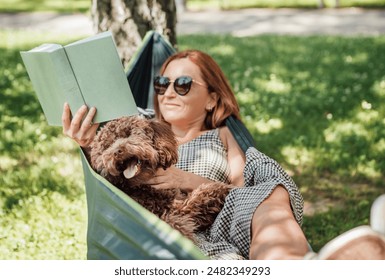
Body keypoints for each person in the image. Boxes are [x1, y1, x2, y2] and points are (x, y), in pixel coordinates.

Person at [61, 49, 313, 260]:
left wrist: (187, 180)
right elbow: (108, 175)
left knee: (271, 194)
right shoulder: (140, 125)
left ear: (212, 99)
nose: (168, 93)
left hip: (221, 221)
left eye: (182, 84)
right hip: (161, 230)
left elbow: (245, 194)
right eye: (162, 84)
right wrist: (86, 143)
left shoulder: (223, 135)